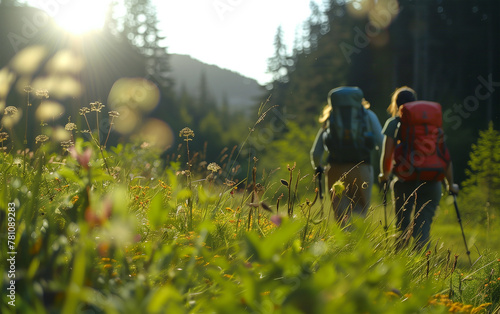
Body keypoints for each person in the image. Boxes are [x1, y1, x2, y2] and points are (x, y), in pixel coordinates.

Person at [378, 86, 459, 250]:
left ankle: (400, 263)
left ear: (396, 105)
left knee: (402, 223)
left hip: (405, 179)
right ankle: (422, 263)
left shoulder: (394, 123)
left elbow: (387, 155)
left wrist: (385, 175)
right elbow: (444, 156)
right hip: (433, 180)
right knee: (423, 225)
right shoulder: (432, 124)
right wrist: (451, 184)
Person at [310, 86, 383, 225]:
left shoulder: (329, 118)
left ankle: (344, 244)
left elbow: (315, 152)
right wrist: (385, 170)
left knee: (340, 214)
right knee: (360, 212)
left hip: (335, 170)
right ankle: (356, 244)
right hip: (362, 168)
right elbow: (382, 143)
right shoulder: (368, 115)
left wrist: (318, 167)